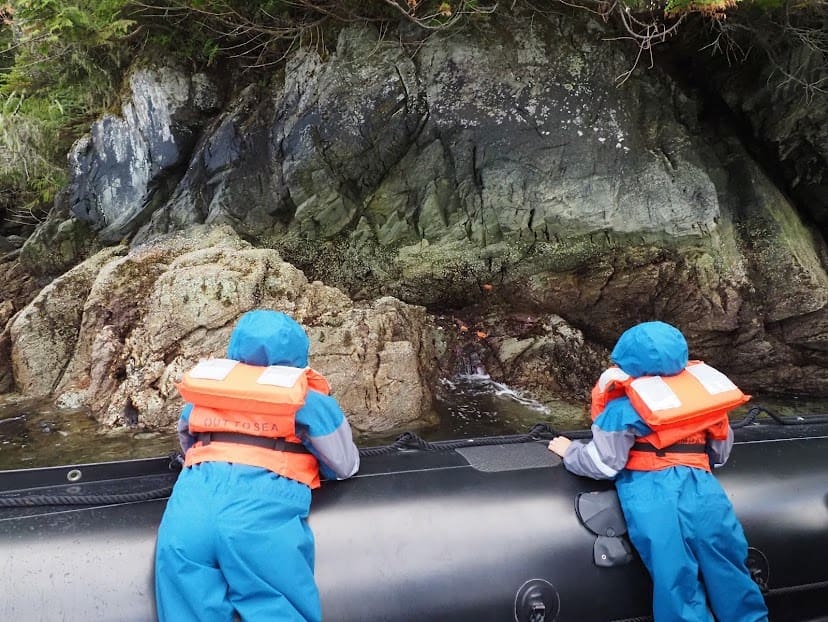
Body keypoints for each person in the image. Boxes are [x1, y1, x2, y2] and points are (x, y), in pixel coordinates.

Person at [548, 321, 768, 622]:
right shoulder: (707, 406)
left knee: (676, 582)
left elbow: (604, 464)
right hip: (706, 495)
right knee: (730, 571)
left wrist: (570, 452)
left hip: (654, 498)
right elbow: (720, 455)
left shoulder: (621, 410)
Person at [155, 310, 360, 622]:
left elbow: (188, 441)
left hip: (191, 508)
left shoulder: (203, 396)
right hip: (260, 514)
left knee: (185, 609)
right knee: (276, 606)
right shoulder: (308, 401)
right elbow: (345, 464)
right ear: (297, 358)